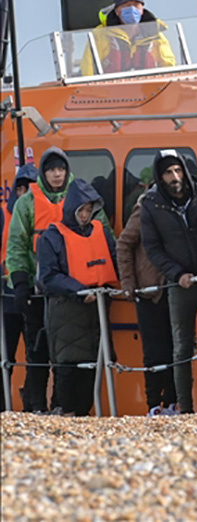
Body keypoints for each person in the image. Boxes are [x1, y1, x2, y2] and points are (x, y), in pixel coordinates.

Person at [6, 148, 111, 412]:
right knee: (37, 352)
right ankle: (36, 407)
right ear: (43, 172)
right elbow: (17, 244)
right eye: (51, 169)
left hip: (75, 293)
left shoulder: (82, 199)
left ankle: (62, 407)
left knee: (70, 355)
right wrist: (21, 283)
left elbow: (105, 239)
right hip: (39, 289)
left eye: (60, 169)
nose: (56, 173)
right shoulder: (27, 203)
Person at [139, 150, 197, 413]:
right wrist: (176, 274)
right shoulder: (151, 205)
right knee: (182, 346)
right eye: (168, 172)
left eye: (177, 170)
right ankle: (185, 407)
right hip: (180, 282)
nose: (175, 177)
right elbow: (152, 247)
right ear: (160, 177)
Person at [36, 180, 119, 417]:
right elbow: (48, 277)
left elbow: (115, 259)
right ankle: (66, 415)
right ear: (71, 208)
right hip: (66, 313)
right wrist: (78, 291)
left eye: (88, 209)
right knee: (67, 370)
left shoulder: (101, 232)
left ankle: (80, 418)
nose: (84, 215)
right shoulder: (52, 237)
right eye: (81, 209)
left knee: (91, 372)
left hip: (96, 313)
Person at [116, 186, 178, 415]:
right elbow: (123, 244)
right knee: (154, 352)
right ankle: (153, 405)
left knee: (176, 349)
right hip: (149, 290)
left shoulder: (177, 205)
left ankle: (172, 402)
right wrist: (129, 284)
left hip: (172, 287)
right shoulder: (143, 208)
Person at [80, 0, 177, 76]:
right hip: (110, 90)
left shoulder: (155, 34)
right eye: (127, 5)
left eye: (136, 5)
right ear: (117, 11)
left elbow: (169, 64)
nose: (132, 9)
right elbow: (88, 67)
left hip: (149, 89)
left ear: (142, 9)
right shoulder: (101, 34)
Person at [2, 163, 38, 404]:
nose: (25, 193)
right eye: (22, 188)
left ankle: (32, 405)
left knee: (36, 356)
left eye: (31, 188)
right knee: (5, 357)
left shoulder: (43, 217)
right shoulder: (3, 216)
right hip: (6, 297)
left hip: (34, 293)